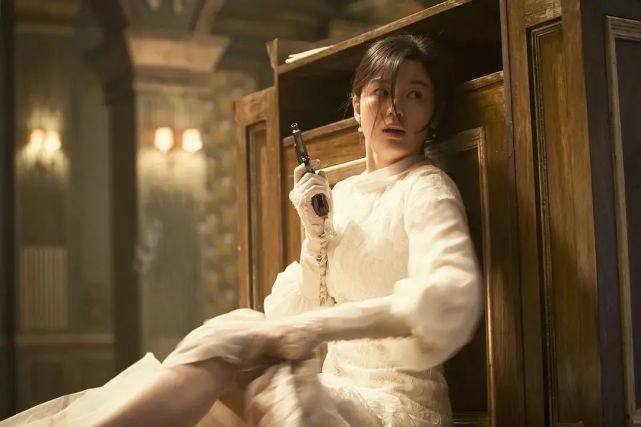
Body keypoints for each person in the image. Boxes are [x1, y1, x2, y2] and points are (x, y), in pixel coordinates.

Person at [1, 33, 482, 427]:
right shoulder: (347, 193)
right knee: (236, 332)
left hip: (394, 409)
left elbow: (446, 300)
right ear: (357, 106)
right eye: (381, 92)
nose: (395, 109)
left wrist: (315, 327)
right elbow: (287, 314)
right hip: (335, 390)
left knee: (244, 344)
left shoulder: (427, 189)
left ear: (432, 116)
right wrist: (315, 237)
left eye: (414, 95)